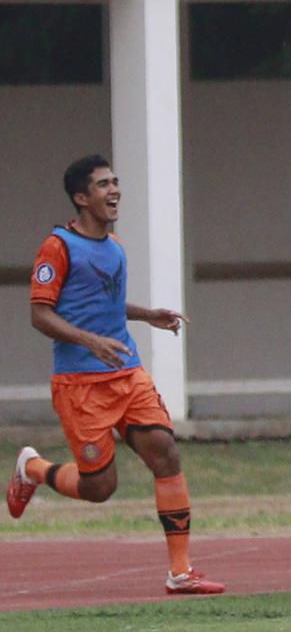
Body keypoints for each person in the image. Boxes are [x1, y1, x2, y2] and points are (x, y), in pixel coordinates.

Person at [7, 154, 225, 595]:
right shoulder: (58, 247)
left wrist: (147, 315)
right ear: (81, 197)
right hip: (80, 384)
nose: (115, 190)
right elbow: (39, 314)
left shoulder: (114, 246)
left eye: (116, 182)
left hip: (126, 373)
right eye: (104, 184)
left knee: (164, 451)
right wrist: (90, 342)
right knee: (100, 487)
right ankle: (33, 469)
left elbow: (104, 304)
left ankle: (180, 572)